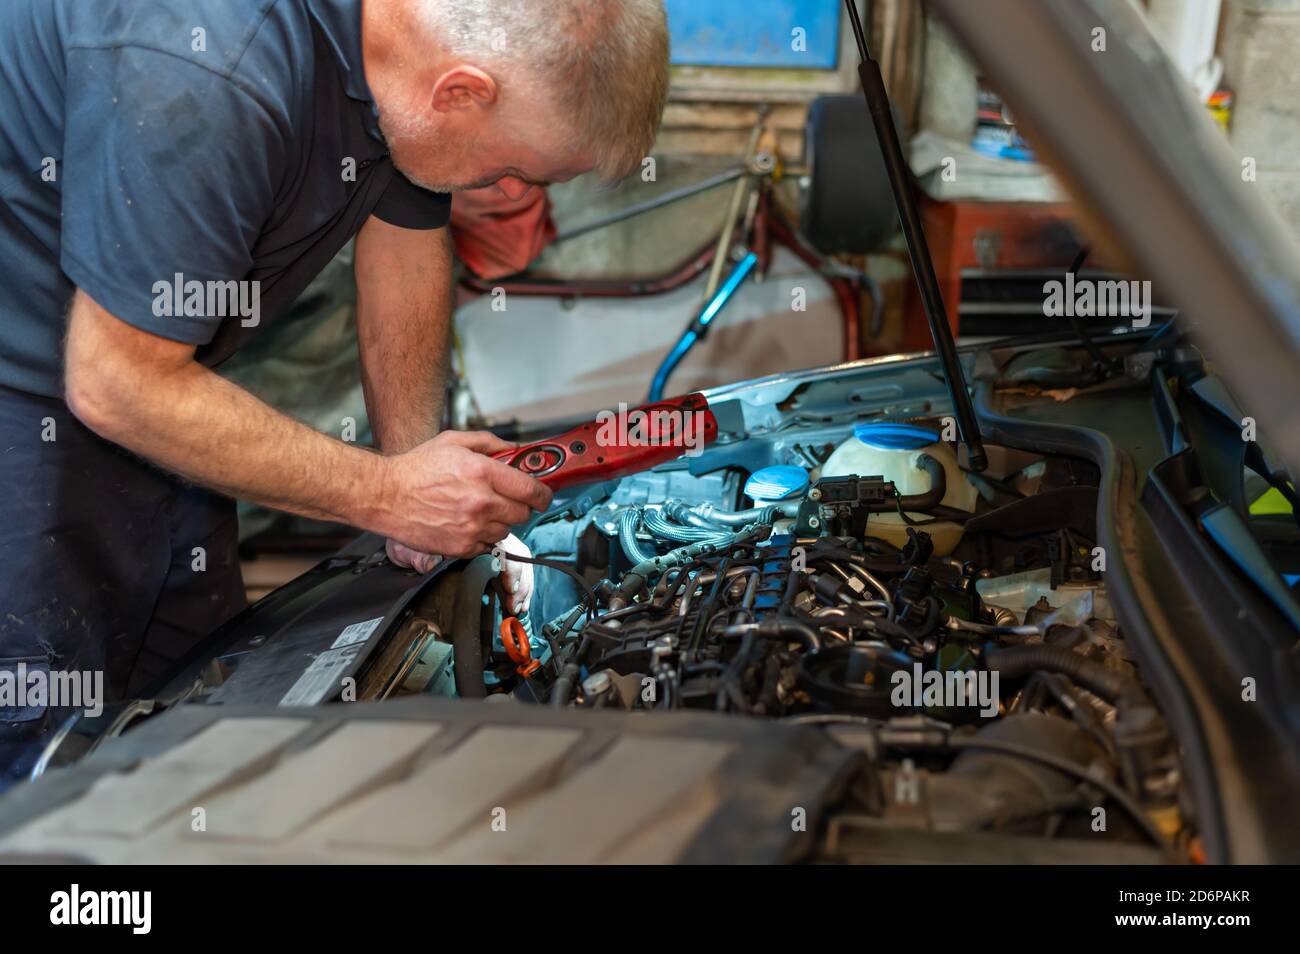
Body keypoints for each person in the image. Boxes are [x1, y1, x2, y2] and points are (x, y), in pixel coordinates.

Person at [0, 0, 670, 785]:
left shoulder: (403, 68)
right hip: (44, 414)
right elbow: (116, 381)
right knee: (43, 762)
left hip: (159, 400)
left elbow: (405, 245)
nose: (506, 187)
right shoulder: (211, 69)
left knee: (193, 730)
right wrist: (384, 494)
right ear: (458, 92)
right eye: (511, 171)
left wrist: (418, 471)